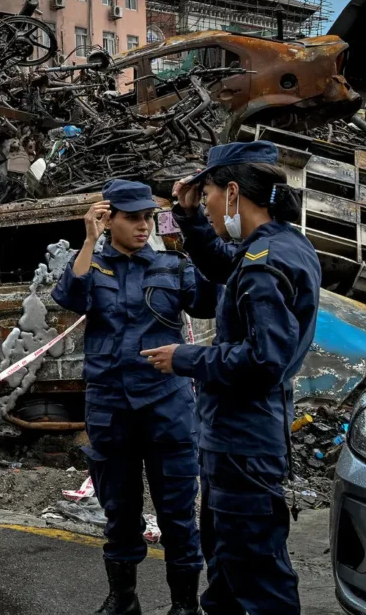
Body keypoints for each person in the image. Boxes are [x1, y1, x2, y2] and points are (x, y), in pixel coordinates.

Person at [143, 141, 319, 614]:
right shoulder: (278, 244)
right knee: (224, 569)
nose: (210, 207)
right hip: (233, 440)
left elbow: (264, 362)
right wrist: (190, 217)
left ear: (235, 192)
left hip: (244, 443)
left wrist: (187, 358)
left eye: (211, 197)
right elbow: (224, 264)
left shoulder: (267, 265)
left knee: (257, 576)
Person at [52, 179, 215, 615]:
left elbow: (207, 302)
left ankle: (184, 604)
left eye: (148, 217)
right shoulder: (93, 265)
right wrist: (88, 239)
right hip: (111, 408)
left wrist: (195, 234)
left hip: (168, 407)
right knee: (119, 513)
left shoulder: (171, 265)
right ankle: (123, 598)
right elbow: (69, 296)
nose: (143, 225)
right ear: (109, 220)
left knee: (178, 514)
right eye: (132, 218)